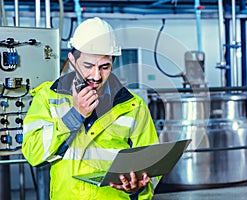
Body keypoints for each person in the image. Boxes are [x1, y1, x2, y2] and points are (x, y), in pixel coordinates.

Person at [22, 17, 160, 200]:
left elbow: (152, 166)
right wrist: (75, 115)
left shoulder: (133, 106)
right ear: (72, 61)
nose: (96, 76)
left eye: (105, 67)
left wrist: (136, 189)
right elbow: (33, 152)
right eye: (88, 66)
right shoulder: (48, 97)